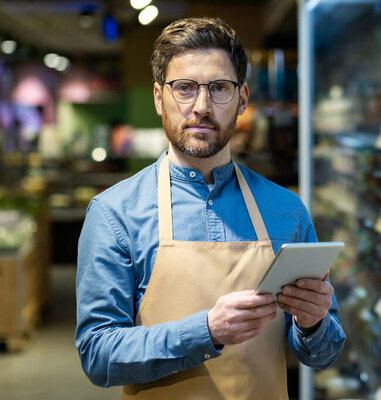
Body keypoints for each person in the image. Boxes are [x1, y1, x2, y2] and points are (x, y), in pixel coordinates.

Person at [75, 17, 346, 399]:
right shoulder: (114, 213)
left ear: (243, 98)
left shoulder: (287, 210)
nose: (201, 107)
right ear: (158, 97)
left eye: (219, 88)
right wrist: (206, 331)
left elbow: (324, 354)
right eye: (184, 88)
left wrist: (314, 323)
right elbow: (98, 355)